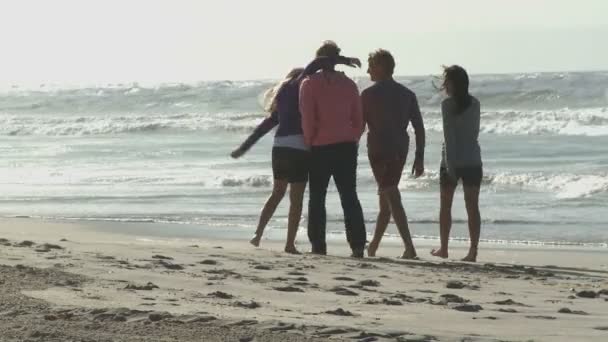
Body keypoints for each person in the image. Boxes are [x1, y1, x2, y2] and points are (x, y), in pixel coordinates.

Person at [231, 55, 360, 254]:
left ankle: (257, 234)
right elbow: (317, 62)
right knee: (296, 200)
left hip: (280, 148)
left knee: (276, 193)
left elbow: (262, 129)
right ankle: (289, 244)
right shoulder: (301, 85)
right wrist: (342, 59)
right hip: (299, 149)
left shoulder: (281, 100)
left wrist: (244, 148)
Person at [299, 41, 366, 258]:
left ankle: (318, 245)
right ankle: (357, 245)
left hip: (320, 146)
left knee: (317, 196)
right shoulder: (349, 84)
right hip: (346, 145)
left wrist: (309, 141)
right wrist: (353, 137)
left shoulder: (309, 84)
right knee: (349, 195)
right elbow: (359, 119)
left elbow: (308, 119)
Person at [361, 49, 425, 259]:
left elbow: (359, 127)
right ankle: (372, 248)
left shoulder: (368, 95)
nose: (368, 70)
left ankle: (409, 247)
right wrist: (419, 156)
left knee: (391, 195)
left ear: (380, 67)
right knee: (386, 198)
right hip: (400, 149)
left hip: (380, 150)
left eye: (371, 66)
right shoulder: (407, 94)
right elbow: (419, 128)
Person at [431, 65, 483, 262]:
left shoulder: (447, 105)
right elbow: (474, 133)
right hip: (472, 158)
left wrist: (451, 165)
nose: (444, 84)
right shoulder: (475, 103)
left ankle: (444, 248)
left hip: (451, 159)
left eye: (447, 80)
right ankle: (473, 251)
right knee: (472, 207)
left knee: (446, 206)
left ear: (452, 83)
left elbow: (449, 137)